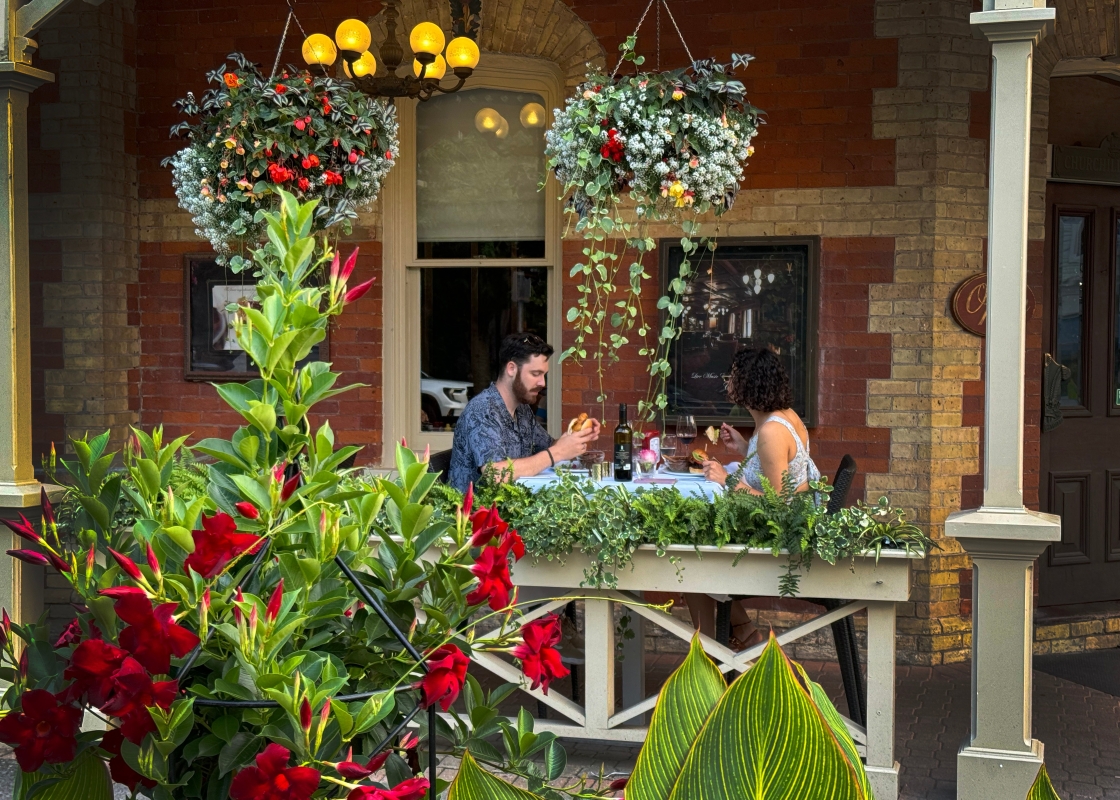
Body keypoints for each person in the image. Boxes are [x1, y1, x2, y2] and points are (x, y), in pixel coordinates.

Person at [690, 347, 821, 648]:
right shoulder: (782, 417)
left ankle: (707, 655)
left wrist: (726, 480)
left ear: (749, 383)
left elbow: (777, 504)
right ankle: (740, 631)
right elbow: (774, 467)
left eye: (732, 376)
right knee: (695, 547)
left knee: (692, 552)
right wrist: (743, 445)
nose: (728, 382)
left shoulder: (772, 431)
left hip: (779, 534)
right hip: (785, 522)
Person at [449, 333, 600, 492]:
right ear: (511, 369)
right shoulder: (483, 409)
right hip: (477, 507)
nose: (542, 383)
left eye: (544, 375)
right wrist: (557, 452)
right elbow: (495, 475)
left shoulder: (522, 410)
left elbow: (549, 447)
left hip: (515, 503)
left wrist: (575, 438)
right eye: (536, 374)